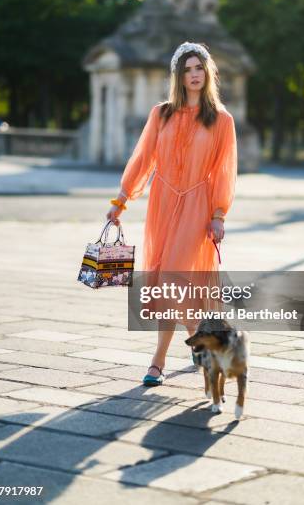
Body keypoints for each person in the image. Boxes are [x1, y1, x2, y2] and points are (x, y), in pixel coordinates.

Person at [106, 41, 237, 385]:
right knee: (166, 281)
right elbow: (143, 159)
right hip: (162, 204)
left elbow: (224, 171)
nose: (194, 75)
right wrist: (121, 201)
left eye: (199, 69)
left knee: (173, 281)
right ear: (178, 76)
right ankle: (187, 348)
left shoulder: (222, 120)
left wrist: (219, 215)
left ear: (207, 74)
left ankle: (168, 357)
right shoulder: (160, 113)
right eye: (187, 69)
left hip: (198, 205)